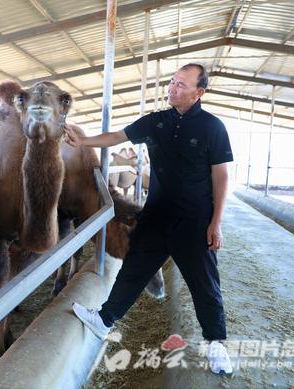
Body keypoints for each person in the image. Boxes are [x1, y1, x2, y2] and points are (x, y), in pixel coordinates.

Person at [65, 63, 234, 375]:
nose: (172, 88)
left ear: (199, 93)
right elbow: (117, 136)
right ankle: (104, 320)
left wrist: (216, 222)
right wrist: (84, 142)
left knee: (204, 284)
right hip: (156, 216)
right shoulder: (156, 122)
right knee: (133, 271)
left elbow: (221, 176)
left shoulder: (212, 127)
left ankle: (216, 344)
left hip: (194, 221)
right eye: (172, 82)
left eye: (181, 85)